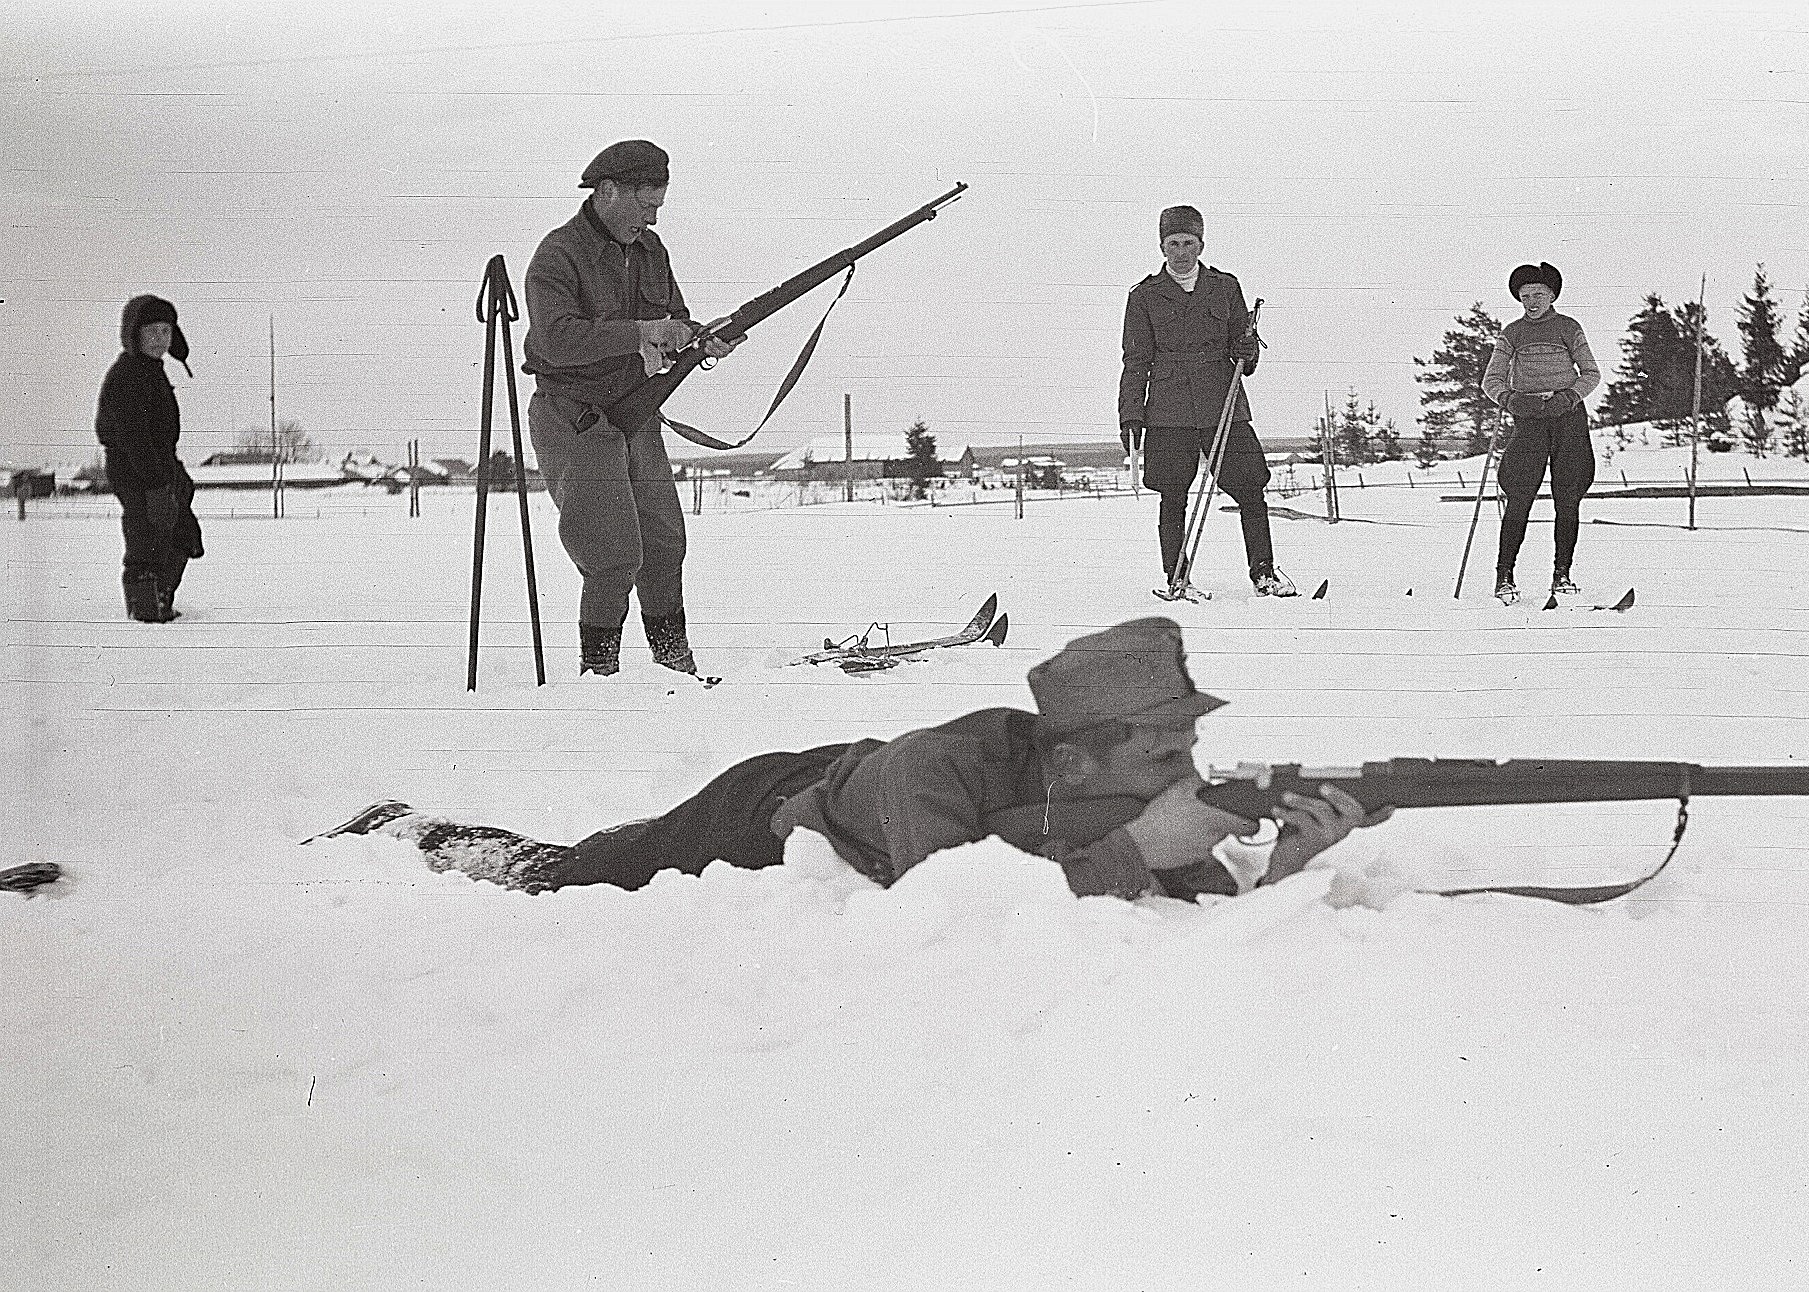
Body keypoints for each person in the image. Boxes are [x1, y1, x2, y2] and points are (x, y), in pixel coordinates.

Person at [310, 618, 1388, 900]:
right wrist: (1146, 844)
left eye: (1187, 737)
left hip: (850, 772)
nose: (1187, 757)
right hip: (769, 802)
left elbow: (1168, 884)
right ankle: (421, 831)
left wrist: (1282, 865)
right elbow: (947, 904)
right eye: (1168, 743)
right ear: (1084, 749)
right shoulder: (943, 770)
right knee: (578, 872)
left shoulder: (1103, 788)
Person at [520, 139, 743, 677]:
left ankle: (675, 665)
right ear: (609, 191)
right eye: (645, 205)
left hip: (635, 411)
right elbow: (554, 340)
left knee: (665, 543)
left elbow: (675, 316)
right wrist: (644, 332)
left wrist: (697, 337)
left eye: (658, 207)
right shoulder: (558, 254)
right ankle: (602, 678)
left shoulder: (651, 251)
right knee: (612, 554)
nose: (652, 216)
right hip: (575, 416)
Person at [1118, 205, 1296, 599]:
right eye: (1173, 243)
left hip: (1223, 403)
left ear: (1201, 244)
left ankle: (1264, 573)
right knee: (1173, 492)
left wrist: (1249, 350)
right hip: (1168, 409)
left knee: (1251, 487)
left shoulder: (1225, 287)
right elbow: (1135, 359)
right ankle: (1176, 578)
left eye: (1189, 242)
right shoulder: (1144, 296)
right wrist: (1131, 415)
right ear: (1162, 246)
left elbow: (1243, 354)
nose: (1181, 251)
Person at [1479, 262, 1602, 603]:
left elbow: (1591, 373)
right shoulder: (1512, 333)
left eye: (1538, 295)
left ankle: (1562, 575)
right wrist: (1512, 400)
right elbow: (1491, 380)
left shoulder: (1568, 327)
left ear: (1552, 296)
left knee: (1568, 495)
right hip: (1529, 417)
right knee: (1519, 494)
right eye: (1524, 296)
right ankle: (1505, 576)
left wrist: (1568, 397)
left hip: (1568, 417)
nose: (1531, 302)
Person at [94, 294, 204, 623]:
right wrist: (157, 485)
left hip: (159, 467)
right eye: (152, 331)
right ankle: (146, 608)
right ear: (135, 334)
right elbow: (133, 437)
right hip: (136, 471)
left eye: (166, 331)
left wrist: (174, 476)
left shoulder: (151, 371)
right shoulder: (127, 375)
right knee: (146, 535)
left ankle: (161, 598)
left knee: (180, 531)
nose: (160, 339)